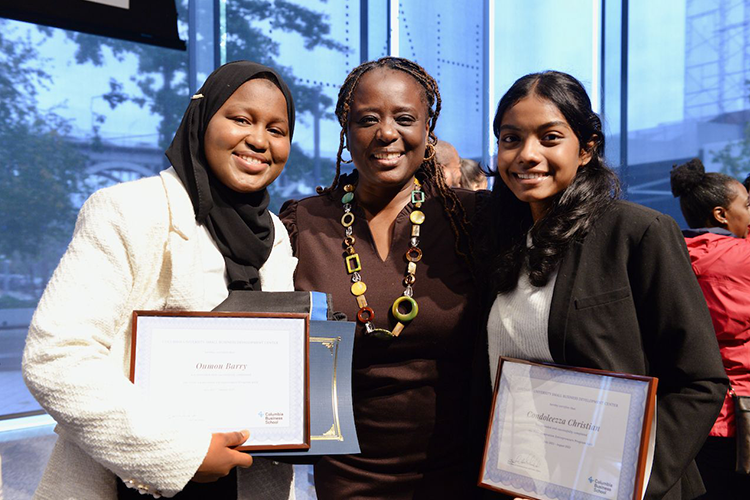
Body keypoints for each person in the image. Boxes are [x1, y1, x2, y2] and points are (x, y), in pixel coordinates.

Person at [22, 61, 298, 500]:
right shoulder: (128, 210)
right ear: (202, 121)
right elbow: (56, 358)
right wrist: (181, 451)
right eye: (241, 119)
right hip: (135, 481)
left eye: (277, 129)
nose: (259, 140)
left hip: (248, 480)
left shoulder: (275, 234)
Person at [476, 70, 728, 500]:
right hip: (520, 481)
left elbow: (700, 381)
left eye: (550, 138)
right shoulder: (496, 239)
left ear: (587, 148)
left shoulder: (637, 233)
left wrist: (625, 481)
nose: (526, 154)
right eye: (511, 138)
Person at [280, 57, 484, 499]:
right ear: (346, 131)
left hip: (460, 471)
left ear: (427, 130)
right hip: (346, 474)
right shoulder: (304, 222)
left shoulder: (471, 220)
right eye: (367, 119)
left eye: (404, 118)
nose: (386, 133)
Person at [670, 158, 750, 499]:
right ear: (721, 215)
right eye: (746, 205)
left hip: (686, 416)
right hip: (740, 415)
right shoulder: (743, 256)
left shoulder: (672, 255)